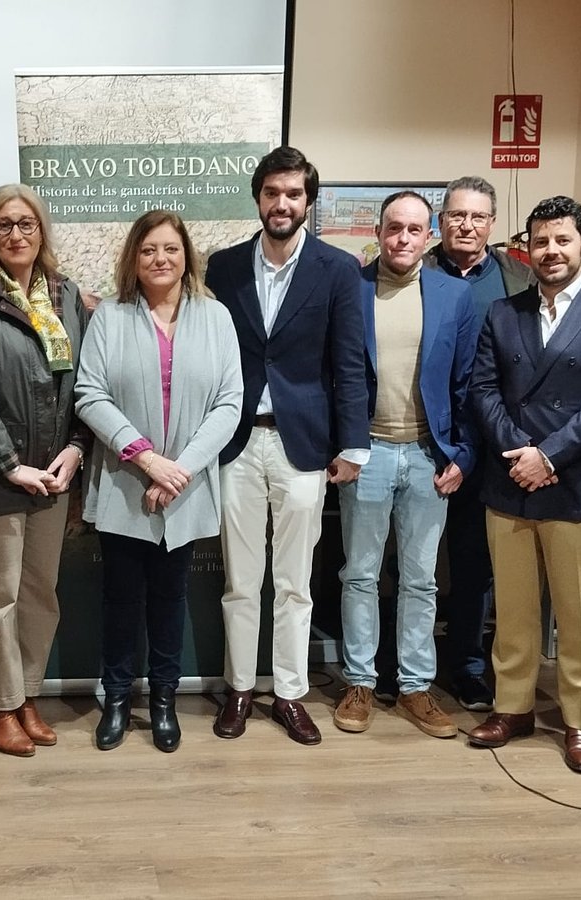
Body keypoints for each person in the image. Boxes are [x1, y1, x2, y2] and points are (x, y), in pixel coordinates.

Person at [465, 196, 581, 774]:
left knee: (580, 616)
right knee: (514, 611)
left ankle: (579, 720)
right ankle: (512, 707)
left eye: (562, 240)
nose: (550, 251)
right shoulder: (503, 312)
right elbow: (483, 391)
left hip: (577, 484)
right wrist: (518, 452)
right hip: (510, 478)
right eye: (541, 242)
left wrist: (548, 456)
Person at [205, 146, 368, 746]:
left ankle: (291, 694)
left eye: (294, 194)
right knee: (240, 580)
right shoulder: (221, 268)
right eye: (272, 193)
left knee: (295, 582)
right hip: (238, 443)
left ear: (308, 201)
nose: (282, 203)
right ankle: (241, 689)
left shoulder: (338, 269)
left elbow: (350, 363)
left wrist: (353, 445)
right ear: (258, 198)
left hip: (306, 446)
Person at [74, 210, 243, 752]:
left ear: (186, 255)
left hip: (187, 486)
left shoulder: (215, 317)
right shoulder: (111, 318)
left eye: (170, 248)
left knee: (170, 598)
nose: (160, 259)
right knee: (121, 598)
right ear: (133, 258)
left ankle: (165, 700)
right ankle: (118, 698)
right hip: (126, 481)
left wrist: (180, 470)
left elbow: (229, 403)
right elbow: (89, 394)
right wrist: (149, 461)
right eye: (148, 250)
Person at [0, 183, 89, 758]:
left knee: (39, 593)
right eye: (4, 225)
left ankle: (26, 693)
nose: (16, 235)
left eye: (27, 224)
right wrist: (9, 465)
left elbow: (85, 380)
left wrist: (76, 447)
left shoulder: (66, 296)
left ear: (42, 231)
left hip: (54, 476)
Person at [333, 191, 477, 737]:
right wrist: (342, 448)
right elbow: (336, 375)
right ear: (379, 229)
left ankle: (416, 686)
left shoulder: (454, 296)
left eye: (416, 230)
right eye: (395, 228)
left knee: (420, 580)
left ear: (430, 234)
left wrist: (461, 454)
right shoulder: (352, 290)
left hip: (426, 457)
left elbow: (465, 383)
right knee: (360, 574)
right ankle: (360, 682)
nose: (403, 239)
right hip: (364, 454)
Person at [422, 175, 536, 711]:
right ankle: (406, 666)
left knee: (473, 565)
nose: (465, 225)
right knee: (411, 563)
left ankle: (468, 665)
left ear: (492, 225)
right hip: (423, 443)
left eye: (477, 217)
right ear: (440, 221)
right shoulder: (410, 271)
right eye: (456, 215)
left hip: (492, 449)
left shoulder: (521, 281)